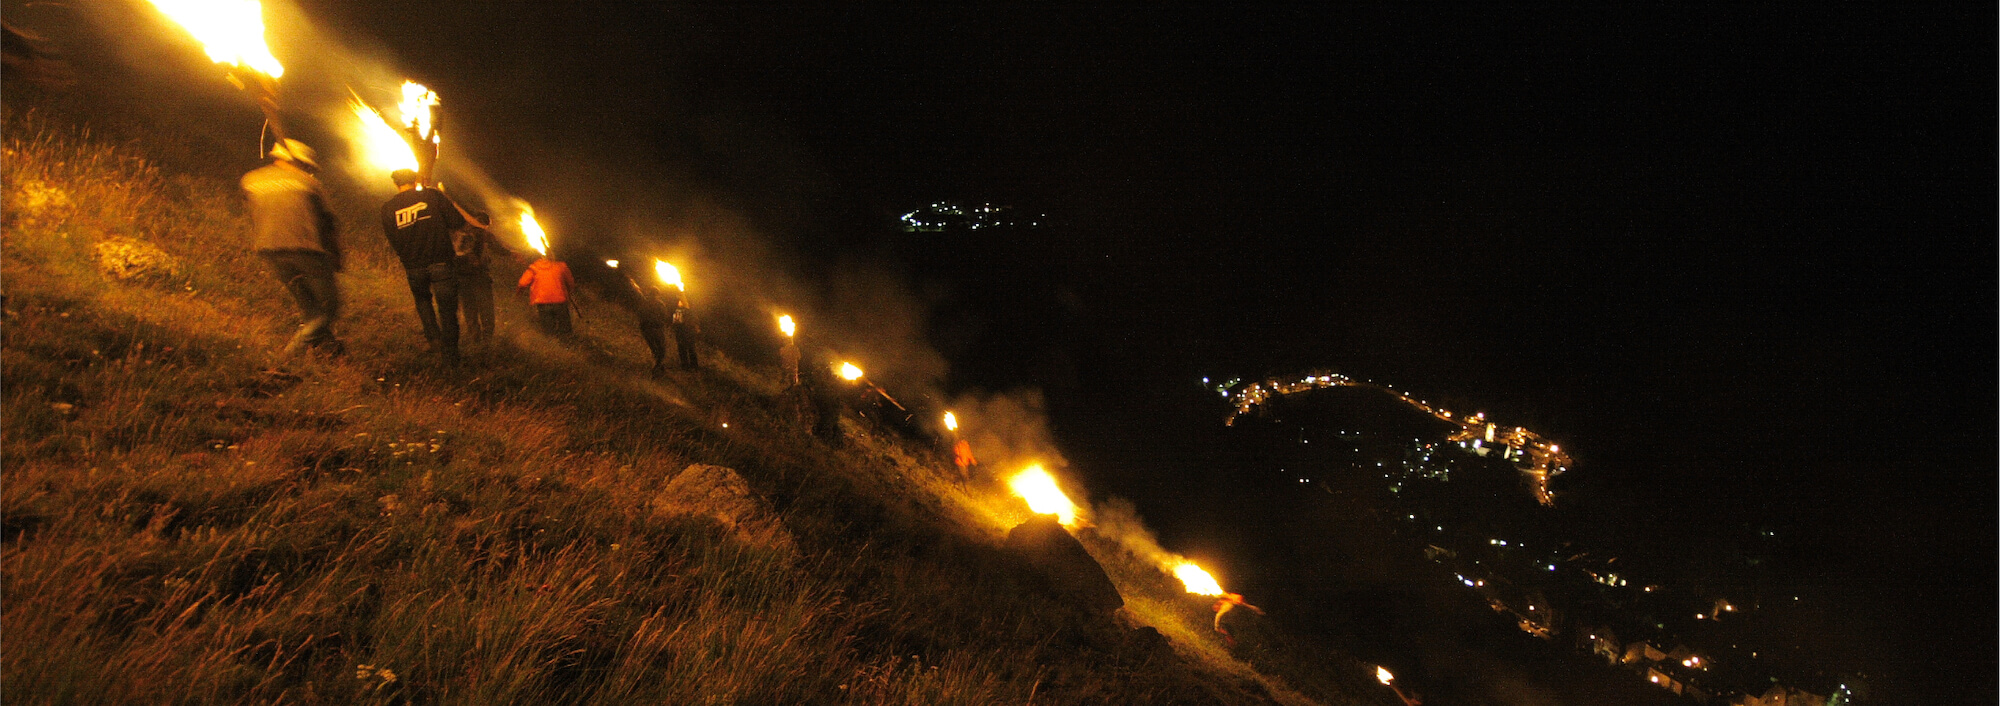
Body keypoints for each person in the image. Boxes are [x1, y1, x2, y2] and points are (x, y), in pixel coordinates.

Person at [241, 139, 343, 356]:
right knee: (328, 308)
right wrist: (336, 255)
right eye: (306, 165)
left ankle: (332, 352)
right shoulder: (309, 183)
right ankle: (288, 356)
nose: (308, 170)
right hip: (306, 250)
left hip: (269, 249)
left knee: (309, 308)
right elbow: (328, 222)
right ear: (298, 161)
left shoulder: (250, 180)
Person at [379, 168, 467, 364]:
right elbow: (457, 222)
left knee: (422, 301)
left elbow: (392, 239)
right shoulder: (432, 196)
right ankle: (451, 355)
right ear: (416, 180)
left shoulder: (388, 208)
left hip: (414, 266)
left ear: (395, 183)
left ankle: (434, 339)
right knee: (447, 309)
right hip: (441, 262)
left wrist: (406, 257)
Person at [451, 210, 515, 344]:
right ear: (485, 223)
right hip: (479, 275)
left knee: (469, 308)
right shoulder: (484, 234)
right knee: (486, 307)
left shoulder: (460, 232)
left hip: (461, 276)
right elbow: (498, 249)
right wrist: (512, 253)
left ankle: (474, 338)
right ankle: (487, 338)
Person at [610, 262, 673, 377]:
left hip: (646, 329)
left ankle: (659, 367)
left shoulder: (644, 301)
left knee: (655, 349)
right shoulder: (659, 304)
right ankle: (657, 369)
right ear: (657, 294)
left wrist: (628, 279)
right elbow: (664, 316)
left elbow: (635, 291)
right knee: (662, 350)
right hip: (656, 329)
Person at [517, 251, 576, 337]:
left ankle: (552, 343)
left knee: (548, 330)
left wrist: (519, 293)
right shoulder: (561, 266)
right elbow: (570, 282)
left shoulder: (534, 268)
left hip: (542, 302)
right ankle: (567, 342)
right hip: (560, 301)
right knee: (565, 327)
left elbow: (522, 283)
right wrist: (569, 291)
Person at [670, 289, 700, 369]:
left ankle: (687, 366)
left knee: (684, 349)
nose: (678, 302)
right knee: (690, 349)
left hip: (683, 333)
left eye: (680, 301)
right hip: (688, 333)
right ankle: (693, 366)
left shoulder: (680, 311)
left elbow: (676, 323)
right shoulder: (690, 311)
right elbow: (696, 322)